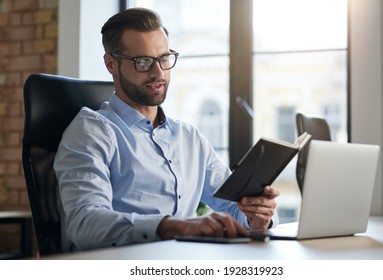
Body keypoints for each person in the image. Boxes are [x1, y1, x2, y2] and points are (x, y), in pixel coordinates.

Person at [54, 7, 279, 252]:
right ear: (111, 64)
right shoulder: (91, 131)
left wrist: (257, 218)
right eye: (143, 62)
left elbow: (235, 208)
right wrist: (176, 227)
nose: (158, 73)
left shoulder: (189, 138)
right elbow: (85, 223)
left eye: (163, 58)